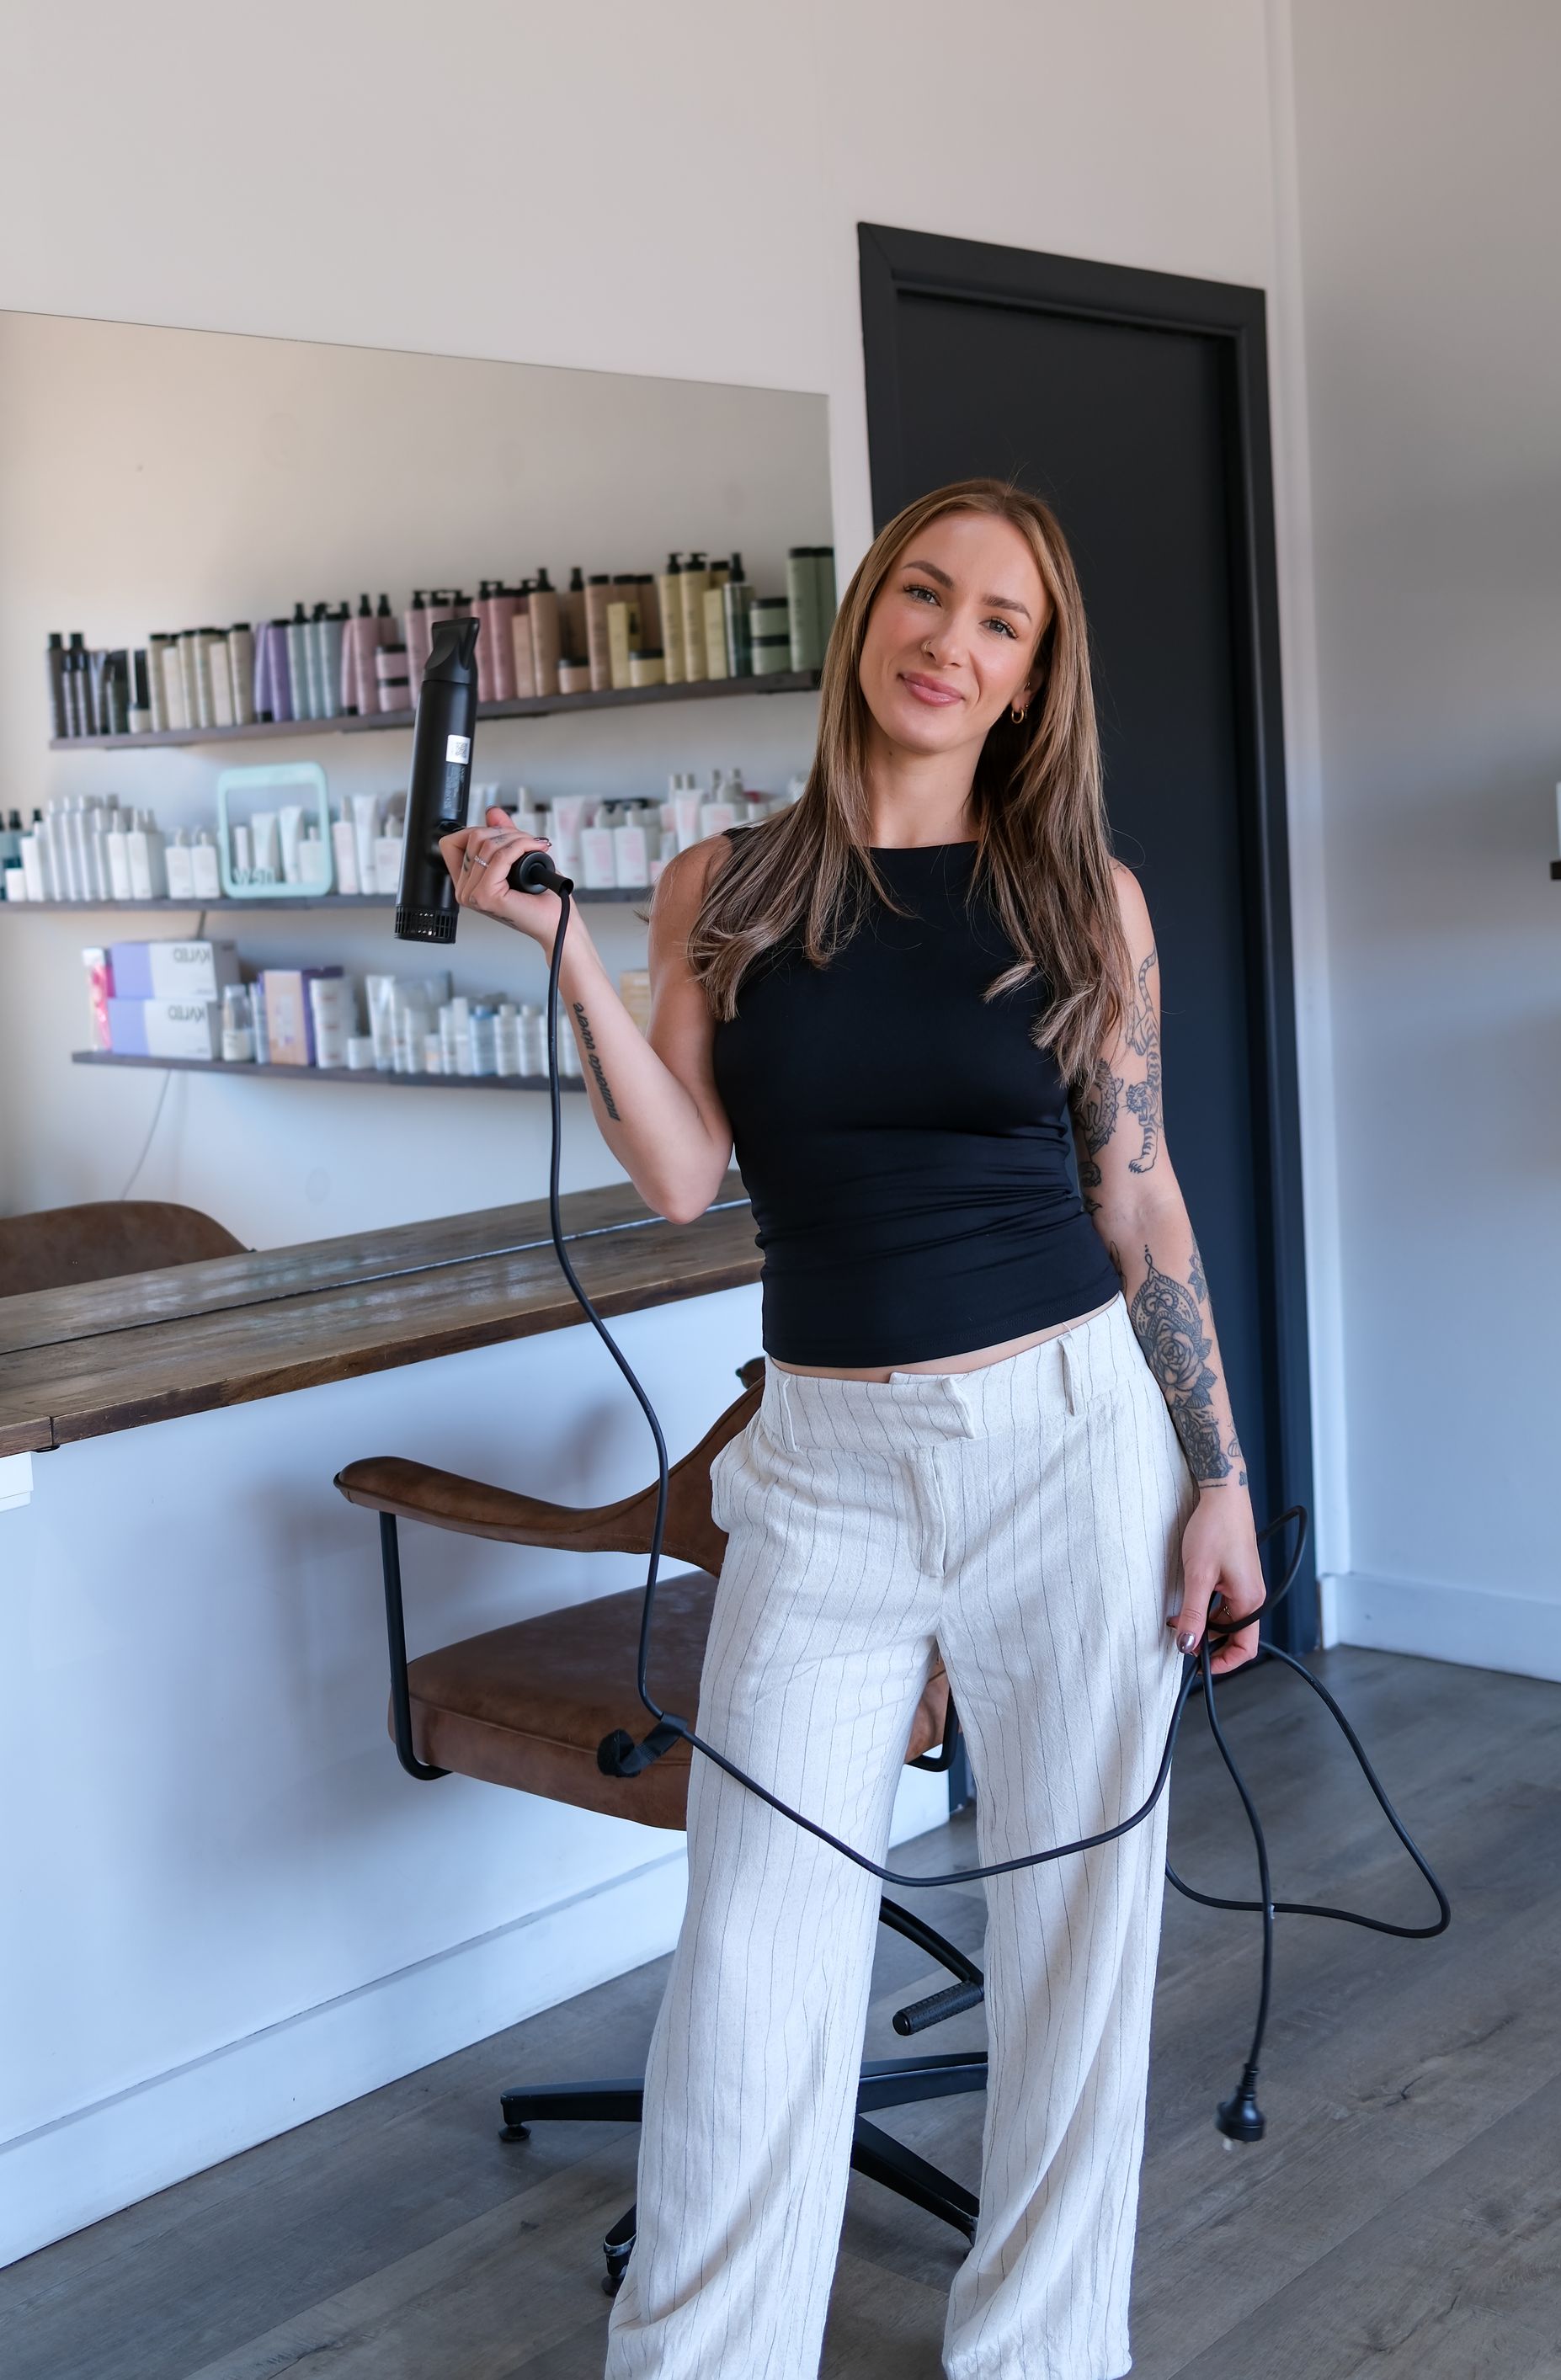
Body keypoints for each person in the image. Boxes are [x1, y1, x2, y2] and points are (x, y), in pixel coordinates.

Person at [442, 477, 1265, 2380]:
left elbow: (1137, 1192)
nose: (949, 640)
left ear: (1031, 678)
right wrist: (564, 954)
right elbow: (679, 1173)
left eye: (999, 621)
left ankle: (1043, 2348)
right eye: (924, 593)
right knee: (753, 1942)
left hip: (1074, 1438)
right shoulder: (722, 886)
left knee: (1076, 1922)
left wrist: (1221, 1472)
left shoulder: (1084, 901)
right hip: (819, 1468)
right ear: (869, 614)